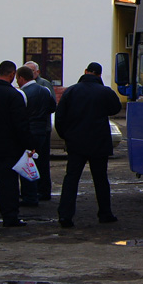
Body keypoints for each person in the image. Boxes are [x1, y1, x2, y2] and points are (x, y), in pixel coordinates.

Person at [54, 62, 122, 228]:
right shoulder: (105, 92)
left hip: (76, 142)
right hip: (98, 142)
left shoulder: (71, 91)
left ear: (85, 72)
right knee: (100, 179)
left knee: (71, 179)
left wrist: (66, 136)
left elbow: (60, 118)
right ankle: (105, 213)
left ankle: (65, 215)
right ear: (99, 75)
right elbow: (116, 108)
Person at [0, 60, 31, 227]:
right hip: (8, 148)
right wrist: (28, 144)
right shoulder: (14, 96)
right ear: (12, 75)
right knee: (8, 183)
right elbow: (21, 124)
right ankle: (9, 217)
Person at [16, 65, 57, 204]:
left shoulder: (23, 93)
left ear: (21, 78)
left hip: (29, 131)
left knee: (26, 163)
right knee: (42, 162)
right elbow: (53, 107)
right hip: (42, 131)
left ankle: (29, 195)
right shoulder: (45, 90)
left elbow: (20, 114)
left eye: (17, 78)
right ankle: (43, 191)